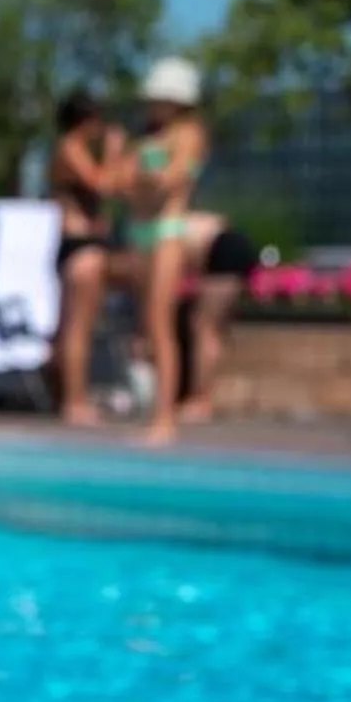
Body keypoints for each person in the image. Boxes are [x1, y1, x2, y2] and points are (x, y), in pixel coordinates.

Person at [111, 56, 212, 444]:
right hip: (140, 233)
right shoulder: (146, 139)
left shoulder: (188, 133)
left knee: (160, 323)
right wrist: (140, 178)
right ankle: (157, 411)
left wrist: (141, 180)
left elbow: (169, 181)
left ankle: (165, 417)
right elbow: (119, 182)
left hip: (167, 232)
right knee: (146, 328)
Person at [48, 89, 126, 423]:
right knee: (77, 327)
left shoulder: (69, 148)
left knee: (71, 325)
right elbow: (102, 184)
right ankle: (74, 401)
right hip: (80, 245)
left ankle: (66, 397)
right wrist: (113, 152)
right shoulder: (70, 147)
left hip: (80, 244)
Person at [166, 209, 259, 426]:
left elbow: (171, 282)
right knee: (207, 328)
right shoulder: (180, 225)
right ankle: (199, 397)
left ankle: (201, 400)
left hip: (223, 251)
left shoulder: (162, 239)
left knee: (204, 329)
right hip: (226, 246)